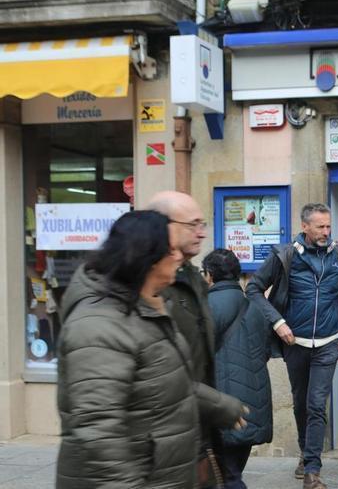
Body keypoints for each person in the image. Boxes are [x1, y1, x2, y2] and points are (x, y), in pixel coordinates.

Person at [56, 211, 245, 488]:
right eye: (170, 250)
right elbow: (97, 429)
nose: (179, 256)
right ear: (147, 256)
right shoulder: (98, 325)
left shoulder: (147, 308)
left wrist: (219, 406)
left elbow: (164, 382)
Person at [246, 202, 338, 489]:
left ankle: (312, 471)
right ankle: (306, 454)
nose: (326, 231)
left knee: (317, 404)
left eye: (328, 226)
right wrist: (277, 322)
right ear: (304, 226)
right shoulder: (284, 255)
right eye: (320, 226)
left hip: (329, 343)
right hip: (295, 342)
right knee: (301, 404)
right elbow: (253, 289)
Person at [147, 190, 224, 484]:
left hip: (198, 425)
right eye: (193, 225)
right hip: (166, 434)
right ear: (165, 226)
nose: (201, 233)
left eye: (203, 224)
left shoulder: (194, 277)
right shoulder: (150, 284)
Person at [203, 249, 274, 489]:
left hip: (221, 405)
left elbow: (199, 354)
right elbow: (265, 352)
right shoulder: (256, 307)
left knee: (227, 478)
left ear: (210, 275)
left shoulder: (208, 305)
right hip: (251, 405)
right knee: (232, 473)